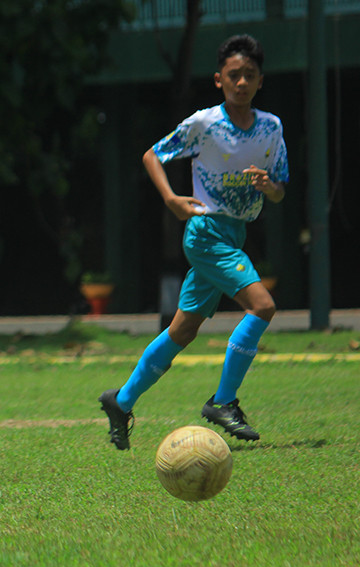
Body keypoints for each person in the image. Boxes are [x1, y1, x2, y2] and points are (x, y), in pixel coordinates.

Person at [98, 34, 288, 450]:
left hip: (234, 234)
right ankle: (223, 401)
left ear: (260, 81)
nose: (241, 82)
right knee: (263, 305)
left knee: (182, 330)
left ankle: (121, 400)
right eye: (233, 75)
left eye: (249, 76)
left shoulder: (271, 129)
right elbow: (152, 154)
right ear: (219, 79)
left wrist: (269, 185)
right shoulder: (205, 124)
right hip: (206, 234)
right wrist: (171, 200)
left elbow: (280, 191)